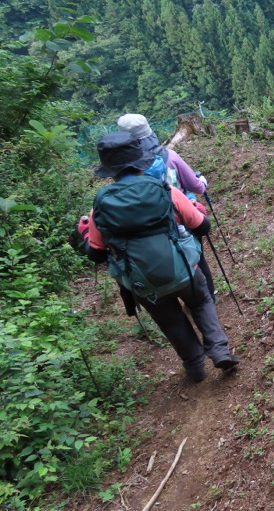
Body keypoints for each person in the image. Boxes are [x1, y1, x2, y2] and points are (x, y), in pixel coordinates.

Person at [79, 132, 239, 382]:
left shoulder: (100, 205)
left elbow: (96, 255)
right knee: (200, 301)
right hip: (183, 270)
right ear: (141, 161)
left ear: (110, 170)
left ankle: (195, 366)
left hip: (143, 283)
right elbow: (203, 228)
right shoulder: (167, 191)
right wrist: (196, 209)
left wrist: (85, 235)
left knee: (171, 320)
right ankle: (219, 351)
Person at [116, 113, 217, 301]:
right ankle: (207, 297)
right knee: (197, 258)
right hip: (180, 217)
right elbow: (195, 185)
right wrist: (202, 183)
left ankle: (168, 296)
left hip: (142, 228)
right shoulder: (168, 156)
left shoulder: (122, 169)